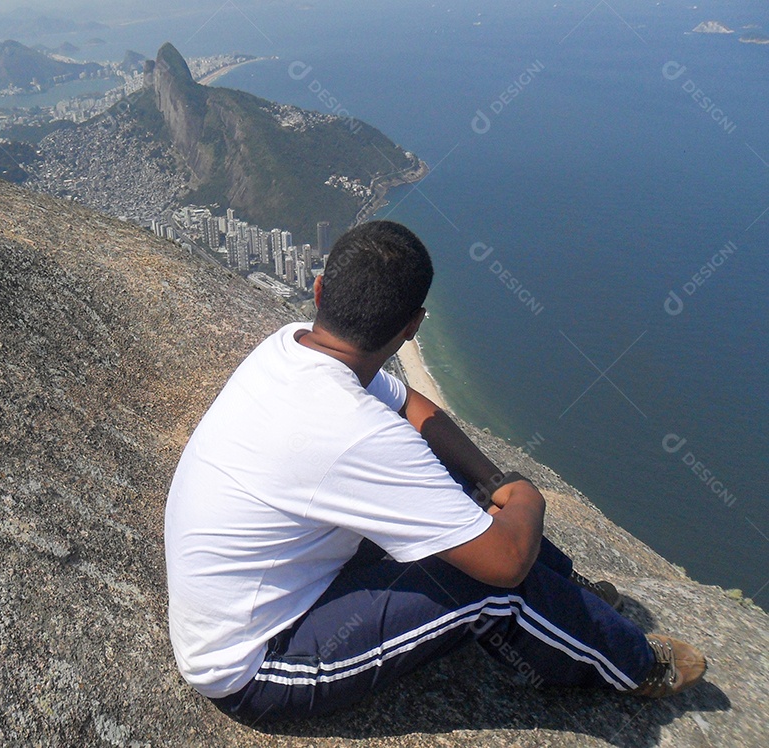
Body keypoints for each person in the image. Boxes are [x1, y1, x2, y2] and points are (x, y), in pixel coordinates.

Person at [163, 220, 706, 721]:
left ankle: (572, 595)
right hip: (258, 665)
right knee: (489, 583)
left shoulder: (292, 346)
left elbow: (411, 405)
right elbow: (506, 563)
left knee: (460, 496)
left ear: (321, 291)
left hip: (270, 592)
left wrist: (493, 482)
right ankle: (634, 665)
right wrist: (527, 497)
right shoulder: (355, 431)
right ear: (412, 327)